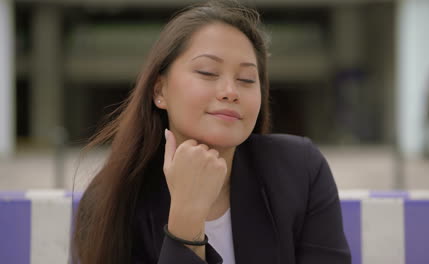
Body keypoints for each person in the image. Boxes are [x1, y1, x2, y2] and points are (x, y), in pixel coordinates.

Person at [71, 1, 351, 263]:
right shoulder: (112, 199)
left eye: (246, 79)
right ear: (159, 90)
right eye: (207, 72)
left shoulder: (300, 170)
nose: (230, 92)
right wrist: (186, 220)